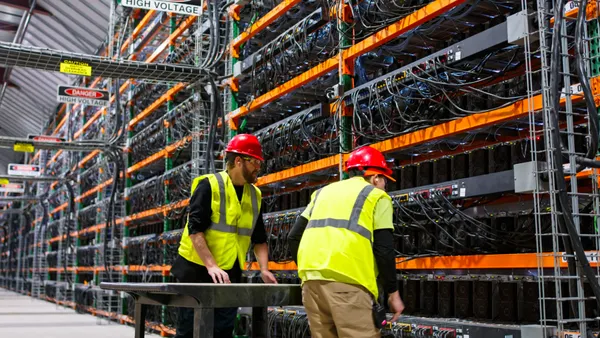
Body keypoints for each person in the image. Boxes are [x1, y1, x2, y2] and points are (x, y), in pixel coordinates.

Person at [288, 145, 404, 338]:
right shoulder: (376, 196)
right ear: (376, 177)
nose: (385, 186)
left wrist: (314, 270)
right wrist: (392, 292)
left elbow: (293, 237)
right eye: (385, 181)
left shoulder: (322, 193)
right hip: (349, 286)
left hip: (310, 284)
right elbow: (384, 250)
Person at [170, 134, 278, 338]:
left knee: (222, 331)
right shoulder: (209, 186)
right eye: (255, 162)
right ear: (239, 161)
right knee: (189, 331)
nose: (258, 168)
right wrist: (211, 265)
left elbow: (259, 238)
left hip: (229, 274)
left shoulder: (255, 195)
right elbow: (195, 230)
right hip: (198, 270)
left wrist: (264, 269)